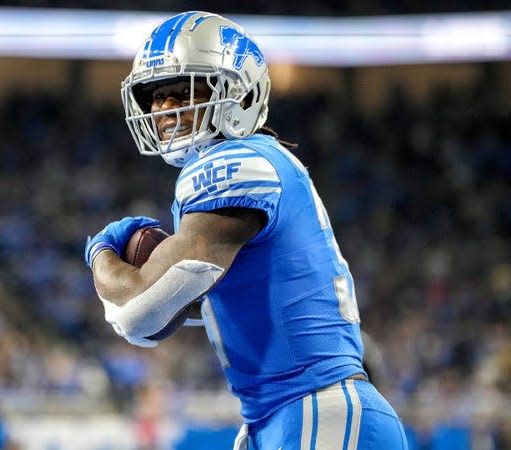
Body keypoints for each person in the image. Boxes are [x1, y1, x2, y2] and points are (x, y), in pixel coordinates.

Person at [84, 11, 409, 450]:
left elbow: (137, 311)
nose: (163, 108)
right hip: (282, 414)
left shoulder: (236, 163)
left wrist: (101, 249)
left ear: (238, 91)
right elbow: (164, 321)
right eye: (154, 96)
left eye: (182, 91)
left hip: (315, 409)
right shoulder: (246, 170)